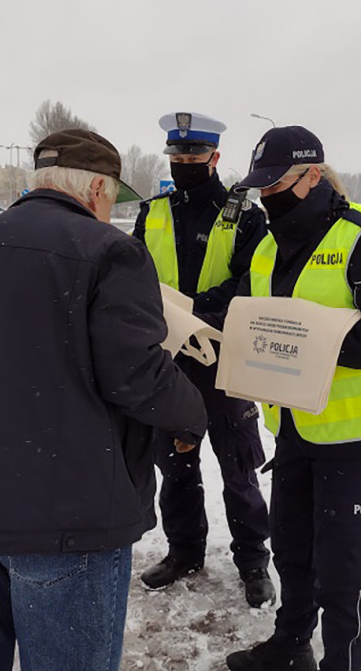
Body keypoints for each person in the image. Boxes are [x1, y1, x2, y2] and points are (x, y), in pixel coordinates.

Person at [0, 129, 207, 671]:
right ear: (99, 189)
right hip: (66, 520)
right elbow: (135, 375)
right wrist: (191, 416)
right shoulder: (112, 252)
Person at [222, 126, 361, 671]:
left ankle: (342, 663)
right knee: (293, 550)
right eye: (260, 186)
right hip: (295, 429)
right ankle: (290, 646)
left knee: (346, 569)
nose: (266, 196)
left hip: (359, 436)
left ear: (312, 175)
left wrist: (293, 346)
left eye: (276, 184)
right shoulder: (267, 246)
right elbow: (248, 318)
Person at [132, 111, 275, 607]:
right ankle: (184, 551)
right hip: (167, 363)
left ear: (215, 158)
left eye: (194, 156)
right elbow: (131, 277)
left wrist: (197, 312)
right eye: (177, 156)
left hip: (224, 359)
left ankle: (254, 562)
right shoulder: (150, 212)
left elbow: (253, 281)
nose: (184, 164)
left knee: (238, 469)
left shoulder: (246, 215)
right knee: (175, 469)